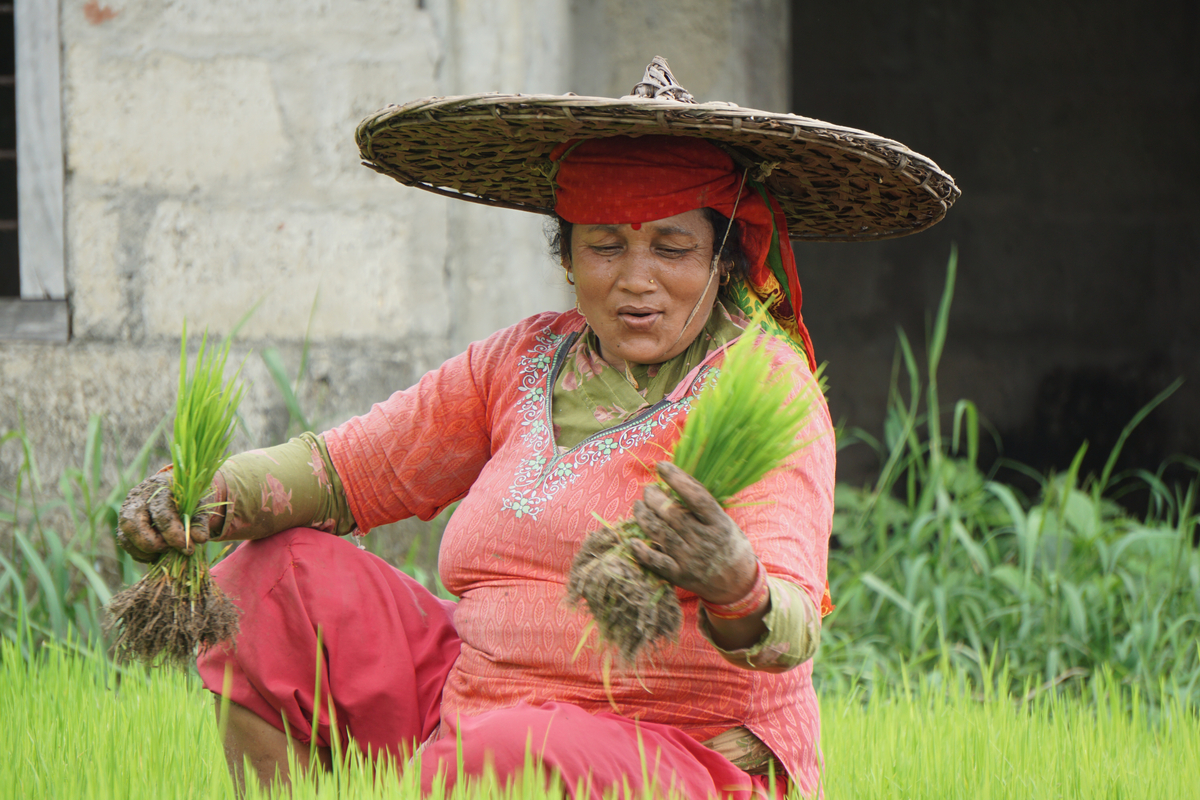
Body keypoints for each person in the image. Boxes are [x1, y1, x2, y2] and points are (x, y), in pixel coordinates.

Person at [117, 58, 958, 799]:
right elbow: (349, 470)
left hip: (674, 752)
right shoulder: (523, 358)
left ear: (723, 258)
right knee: (272, 581)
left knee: (516, 750)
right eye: (605, 245)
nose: (637, 280)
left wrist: (733, 581)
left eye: (671, 247)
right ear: (566, 256)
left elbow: (790, 621)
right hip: (474, 706)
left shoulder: (763, 388)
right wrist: (204, 498)